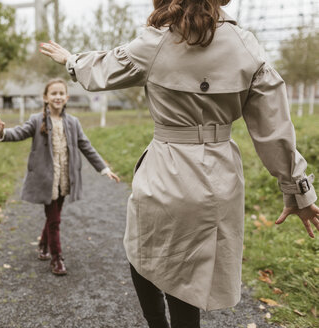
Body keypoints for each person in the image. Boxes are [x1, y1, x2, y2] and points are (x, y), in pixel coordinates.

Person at [39, 0, 319, 327]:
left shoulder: (155, 42)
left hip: (166, 169)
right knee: (191, 273)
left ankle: (157, 323)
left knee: (141, 251)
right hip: (221, 175)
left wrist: (71, 60)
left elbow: (102, 69)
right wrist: (298, 192)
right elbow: (274, 129)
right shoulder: (246, 45)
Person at [0, 79, 120, 276]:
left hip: (65, 178)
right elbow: (19, 132)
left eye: (61, 93)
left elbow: (86, 146)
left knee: (54, 216)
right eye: (53, 93)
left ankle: (43, 243)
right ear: (46, 97)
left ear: (66, 97)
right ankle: (56, 258)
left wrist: (104, 169)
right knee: (55, 220)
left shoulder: (73, 122)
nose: (57, 97)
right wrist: (2, 133)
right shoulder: (36, 120)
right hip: (46, 180)